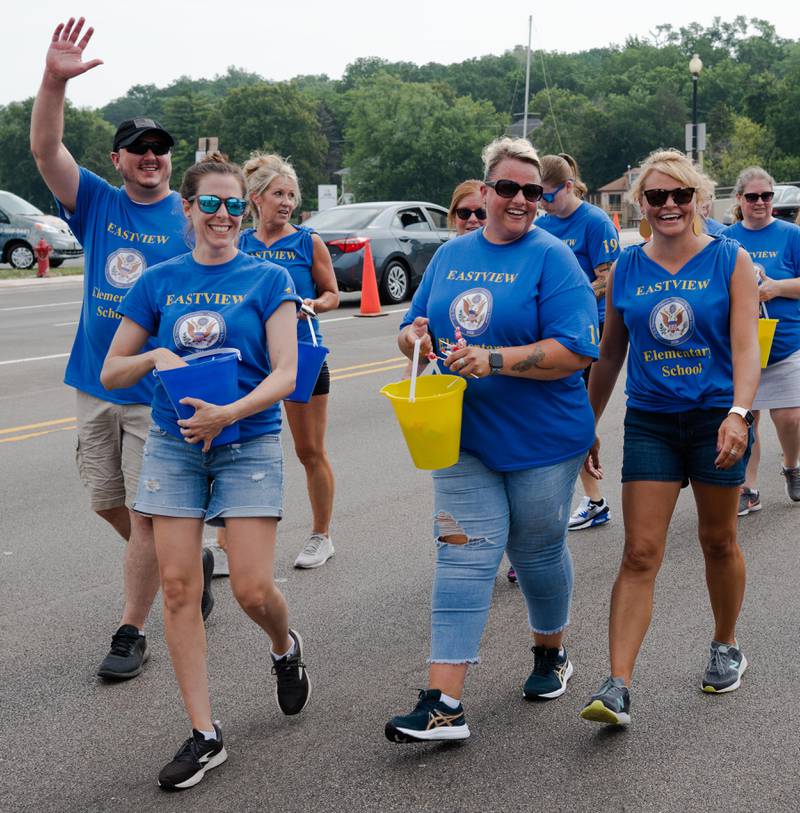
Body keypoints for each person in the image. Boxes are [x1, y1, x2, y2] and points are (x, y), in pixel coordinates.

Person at [101, 154, 309, 790]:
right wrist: (156, 353)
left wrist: (229, 413)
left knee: (250, 588)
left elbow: (286, 372)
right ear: (187, 210)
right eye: (210, 204)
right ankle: (205, 734)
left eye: (233, 205)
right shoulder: (158, 282)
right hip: (173, 444)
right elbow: (111, 370)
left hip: (246, 438)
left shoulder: (267, 280)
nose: (223, 215)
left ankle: (285, 647)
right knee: (179, 587)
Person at [385, 137, 598, 743]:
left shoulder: (553, 258)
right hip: (463, 436)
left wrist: (496, 359)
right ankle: (443, 702)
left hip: (543, 440)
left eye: (533, 191)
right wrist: (413, 338)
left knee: (535, 549)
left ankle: (550, 653)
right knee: (464, 551)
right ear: (484, 192)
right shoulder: (452, 255)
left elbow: (578, 348)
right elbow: (411, 327)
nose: (521, 200)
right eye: (508, 188)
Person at [29, 16, 213, 681]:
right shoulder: (98, 203)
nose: (151, 156)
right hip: (95, 382)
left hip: (159, 394)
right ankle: (185, 559)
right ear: (118, 158)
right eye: (138, 147)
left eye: (159, 148)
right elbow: (48, 147)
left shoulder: (189, 215)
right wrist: (54, 80)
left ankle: (131, 630)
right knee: (107, 501)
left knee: (142, 515)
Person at [579, 149, 760, 727]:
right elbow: (608, 356)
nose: (669, 206)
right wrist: (587, 424)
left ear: (699, 199)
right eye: (656, 197)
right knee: (639, 552)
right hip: (652, 421)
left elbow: (746, 347)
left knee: (717, 541)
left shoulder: (729, 260)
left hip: (715, 420)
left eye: (680, 195)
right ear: (641, 205)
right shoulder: (627, 268)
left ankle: (726, 642)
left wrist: (740, 413)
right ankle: (617, 686)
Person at [234, 153, 340, 569]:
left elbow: (333, 292)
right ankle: (227, 541)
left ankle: (321, 535)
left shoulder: (306, 241)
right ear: (256, 198)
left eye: (291, 195)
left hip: (300, 355)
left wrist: (314, 304)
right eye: (278, 193)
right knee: (236, 448)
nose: (286, 202)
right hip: (249, 360)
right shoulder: (240, 244)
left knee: (309, 450)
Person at [537, 153, 620, 532]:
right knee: (562, 416)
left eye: (548, 196)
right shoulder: (544, 223)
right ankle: (594, 499)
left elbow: (608, 279)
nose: (542, 203)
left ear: (568, 187)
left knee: (574, 415)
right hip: (551, 330)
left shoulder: (595, 222)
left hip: (588, 331)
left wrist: (570, 300)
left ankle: (593, 500)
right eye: (538, 196)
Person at [724, 167, 800, 515]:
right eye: (752, 197)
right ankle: (748, 486)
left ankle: (791, 465)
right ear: (739, 200)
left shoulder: (790, 235)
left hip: (786, 342)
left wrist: (775, 288)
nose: (760, 202)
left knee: (789, 418)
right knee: (746, 417)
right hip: (742, 346)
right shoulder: (727, 239)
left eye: (766, 196)